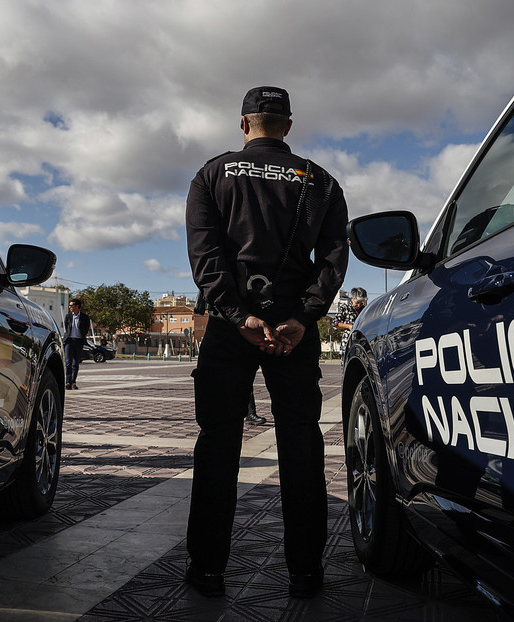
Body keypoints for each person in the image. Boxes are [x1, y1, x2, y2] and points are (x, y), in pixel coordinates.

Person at [184, 86, 349, 598]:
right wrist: (303, 317)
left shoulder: (213, 174)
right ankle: (306, 571)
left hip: (232, 329)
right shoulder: (318, 179)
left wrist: (236, 316)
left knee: (218, 442)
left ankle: (208, 569)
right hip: (292, 332)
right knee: (300, 442)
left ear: (243, 123)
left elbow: (205, 254)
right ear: (289, 126)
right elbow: (334, 257)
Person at [62, 298, 91, 390]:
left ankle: (73, 382)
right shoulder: (68, 316)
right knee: (68, 362)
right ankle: (67, 382)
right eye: (69, 305)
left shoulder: (85, 317)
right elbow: (67, 327)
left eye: (71, 305)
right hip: (69, 341)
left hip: (78, 342)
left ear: (77, 306)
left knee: (75, 363)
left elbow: (86, 329)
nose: (69, 307)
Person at [333, 287, 367, 352]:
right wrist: (348, 326)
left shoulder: (364, 309)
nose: (359, 305)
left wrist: (366, 307)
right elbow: (335, 323)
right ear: (352, 299)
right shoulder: (345, 308)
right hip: (348, 341)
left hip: (361, 342)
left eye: (361, 303)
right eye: (357, 303)